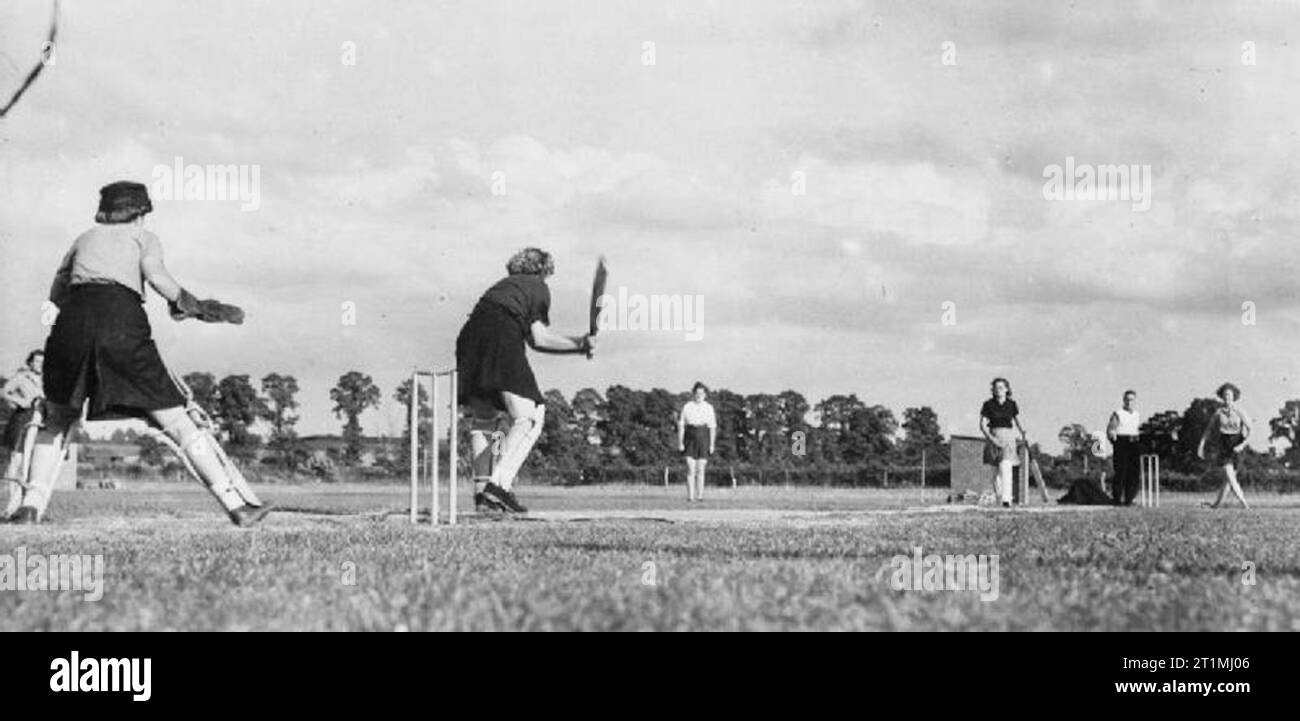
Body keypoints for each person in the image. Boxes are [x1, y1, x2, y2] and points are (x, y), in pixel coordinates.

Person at [8, 181, 269, 526]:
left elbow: (57, 294)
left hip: (70, 326)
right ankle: (237, 505)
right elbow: (158, 278)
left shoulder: (83, 239)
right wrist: (193, 306)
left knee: (56, 421)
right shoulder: (144, 237)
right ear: (140, 213)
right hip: (122, 323)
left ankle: (30, 507)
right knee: (178, 422)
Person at [456, 247, 595, 514]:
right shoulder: (538, 286)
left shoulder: (501, 287)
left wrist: (579, 344)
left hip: (468, 341)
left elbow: (531, 338)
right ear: (543, 270)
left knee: (485, 417)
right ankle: (497, 489)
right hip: (500, 337)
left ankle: (482, 492)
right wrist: (581, 344)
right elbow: (539, 339)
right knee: (531, 415)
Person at [2, 350, 44, 517]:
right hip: (22, 420)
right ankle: (11, 508)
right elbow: (4, 392)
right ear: (30, 363)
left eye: (42, 362)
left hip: (40, 422)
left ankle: (28, 506)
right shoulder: (21, 378)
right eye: (36, 361)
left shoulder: (47, 381)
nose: (39, 365)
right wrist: (20, 402)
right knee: (18, 462)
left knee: (34, 464)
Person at [1197, 382, 1251, 509]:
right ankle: (1245, 504)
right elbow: (1208, 431)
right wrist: (1201, 445)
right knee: (1230, 477)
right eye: (1225, 394)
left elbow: (1250, 430)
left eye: (1229, 394)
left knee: (1228, 480)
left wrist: (1242, 445)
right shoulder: (1218, 413)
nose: (1227, 397)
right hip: (1224, 445)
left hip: (1237, 444)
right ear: (1221, 396)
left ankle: (1215, 505)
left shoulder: (1240, 411)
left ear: (1234, 396)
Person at [979, 377, 1028, 508]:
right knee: (995, 472)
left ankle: (1007, 499)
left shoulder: (1012, 404)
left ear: (1006, 389)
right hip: (993, 436)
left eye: (1001, 387)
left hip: (1008, 437)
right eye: (995, 388)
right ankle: (999, 497)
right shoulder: (988, 405)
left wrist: (1023, 431)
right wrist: (992, 439)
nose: (998, 390)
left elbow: (1017, 421)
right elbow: (982, 425)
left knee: (1006, 467)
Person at [677, 382, 716, 502]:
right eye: (697, 393)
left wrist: (711, 444)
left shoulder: (709, 408)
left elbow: (712, 427)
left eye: (702, 393)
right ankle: (690, 496)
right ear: (693, 393)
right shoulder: (687, 406)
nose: (699, 395)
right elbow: (681, 425)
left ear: (705, 395)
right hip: (690, 436)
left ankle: (700, 496)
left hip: (703, 436)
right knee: (690, 468)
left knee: (701, 468)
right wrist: (680, 442)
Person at [1106, 390, 1142, 506]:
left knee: (1134, 473)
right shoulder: (1118, 413)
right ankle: (1117, 499)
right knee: (1121, 471)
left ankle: (1129, 499)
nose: (1129, 402)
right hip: (1122, 442)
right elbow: (1111, 429)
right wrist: (1113, 437)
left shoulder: (1137, 414)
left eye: (1131, 400)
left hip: (1134, 442)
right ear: (1123, 400)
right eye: (1127, 400)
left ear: (1135, 401)